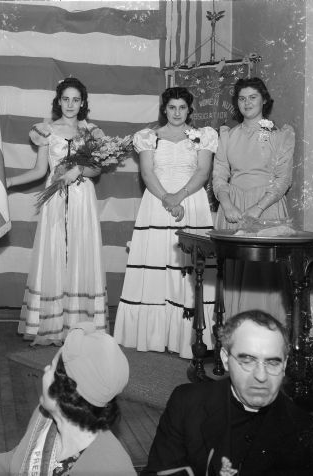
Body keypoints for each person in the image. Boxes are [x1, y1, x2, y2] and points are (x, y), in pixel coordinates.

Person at [0, 323, 136, 475]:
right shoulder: (45, 417)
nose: (46, 369)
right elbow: (15, 462)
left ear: (65, 390)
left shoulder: (112, 468)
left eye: (53, 366)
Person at [142, 310, 313, 475]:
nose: (261, 376)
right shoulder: (187, 403)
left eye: (272, 362)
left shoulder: (309, 435)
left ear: (284, 365)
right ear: (225, 359)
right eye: (247, 360)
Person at [114, 87, 218, 359]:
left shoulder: (203, 137)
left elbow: (203, 171)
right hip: (158, 204)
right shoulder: (149, 137)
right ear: (164, 109)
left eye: (182, 107)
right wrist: (167, 200)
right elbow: (147, 173)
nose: (177, 112)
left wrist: (180, 197)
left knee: (188, 267)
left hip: (191, 201)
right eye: (172, 107)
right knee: (158, 262)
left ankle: (190, 338)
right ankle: (153, 336)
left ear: (189, 109)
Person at [7, 77, 108, 346]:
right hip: (55, 200)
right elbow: (40, 171)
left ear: (83, 103)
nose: (71, 104)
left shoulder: (92, 132)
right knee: (54, 254)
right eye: (66, 99)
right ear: (58, 101)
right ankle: (52, 324)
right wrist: (6, 182)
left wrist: (79, 170)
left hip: (82, 198)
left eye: (76, 99)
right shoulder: (47, 130)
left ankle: (79, 325)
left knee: (80, 254)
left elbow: (97, 168)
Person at [212, 77, 294, 320]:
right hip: (233, 209)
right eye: (241, 98)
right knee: (234, 278)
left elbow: (283, 180)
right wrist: (226, 204)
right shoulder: (228, 135)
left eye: (252, 97)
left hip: (266, 208)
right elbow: (219, 175)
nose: (246, 103)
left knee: (264, 278)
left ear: (264, 100)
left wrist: (257, 209)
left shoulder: (279, 135)